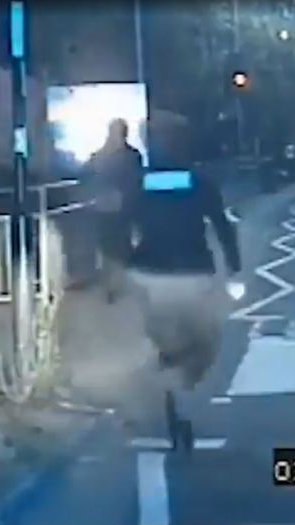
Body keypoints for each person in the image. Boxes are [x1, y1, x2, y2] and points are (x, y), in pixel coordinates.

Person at [122, 111, 241, 451]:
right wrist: (233, 267)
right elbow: (221, 225)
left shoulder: (140, 183)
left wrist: (122, 265)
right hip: (192, 271)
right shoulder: (198, 180)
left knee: (167, 342)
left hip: (150, 274)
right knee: (205, 340)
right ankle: (174, 393)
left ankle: (169, 393)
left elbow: (120, 226)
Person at [80, 119, 145, 303]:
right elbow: (137, 180)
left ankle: (112, 285)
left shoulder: (101, 155)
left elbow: (84, 174)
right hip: (123, 207)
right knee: (120, 244)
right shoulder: (132, 155)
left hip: (104, 207)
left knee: (108, 246)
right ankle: (118, 283)